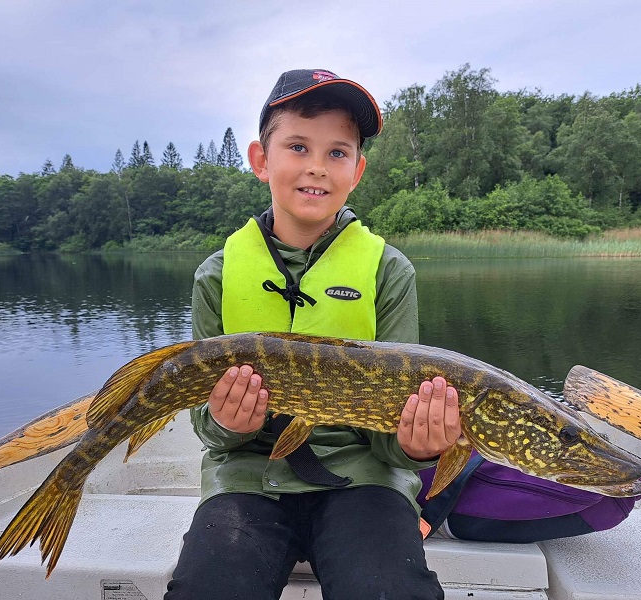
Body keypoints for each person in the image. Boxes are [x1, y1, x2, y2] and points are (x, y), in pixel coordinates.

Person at [164, 69, 460, 600]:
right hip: (248, 478)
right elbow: (208, 429)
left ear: (358, 169)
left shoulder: (388, 272)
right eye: (298, 146)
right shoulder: (216, 274)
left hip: (364, 478)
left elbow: (395, 445)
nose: (317, 168)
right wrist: (229, 424)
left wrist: (418, 449)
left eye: (338, 153)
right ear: (261, 160)